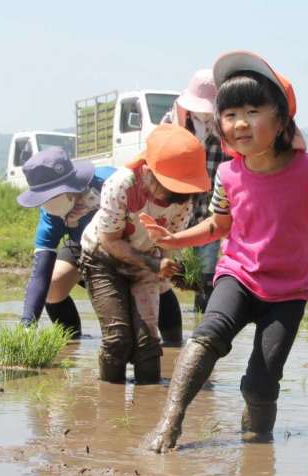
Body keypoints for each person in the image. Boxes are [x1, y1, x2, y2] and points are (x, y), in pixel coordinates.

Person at [145, 51, 308, 452]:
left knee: (262, 380)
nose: (240, 123)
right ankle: (170, 423)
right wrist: (173, 240)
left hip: (287, 291)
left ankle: (256, 448)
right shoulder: (228, 174)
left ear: (281, 120)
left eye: (253, 110)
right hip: (239, 273)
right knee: (208, 335)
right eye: (230, 114)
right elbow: (219, 225)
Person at [79, 124, 211, 384]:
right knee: (118, 339)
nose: (176, 198)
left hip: (147, 262)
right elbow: (110, 241)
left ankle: (148, 406)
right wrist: (153, 262)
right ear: (148, 173)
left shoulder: (184, 199)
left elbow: (168, 242)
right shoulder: (121, 184)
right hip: (102, 258)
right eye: (170, 189)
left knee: (148, 344)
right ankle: (110, 403)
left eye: (183, 191)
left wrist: (179, 271)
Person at [16, 148, 184, 342]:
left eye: (52, 197)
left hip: (131, 238)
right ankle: (73, 341)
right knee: (54, 284)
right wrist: (27, 325)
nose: (48, 205)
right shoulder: (52, 215)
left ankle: (174, 345)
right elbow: (41, 272)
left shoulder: (112, 181)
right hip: (84, 246)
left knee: (156, 281)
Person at [163, 69, 230, 312]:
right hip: (175, 213)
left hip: (209, 214)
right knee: (167, 273)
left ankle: (201, 329)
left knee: (206, 277)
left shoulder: (226, 129)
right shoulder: (172, 124)